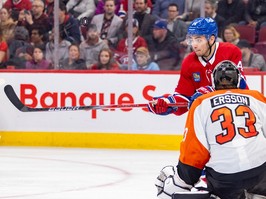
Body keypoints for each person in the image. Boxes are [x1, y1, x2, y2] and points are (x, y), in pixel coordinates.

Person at [155, 60, 266, 199]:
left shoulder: (201, 103)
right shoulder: (256, 97)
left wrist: (183, 180)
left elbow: (195, 151)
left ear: (214, 82)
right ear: (238, 80)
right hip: (262, 173)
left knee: (169, 185)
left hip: (225, 179)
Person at [147, 17, 248, 116]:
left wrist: (209, 92)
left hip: (237, 113)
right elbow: (185, 97)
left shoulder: (230, 51)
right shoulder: (189, 62)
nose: (194, 45)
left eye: (198, 40)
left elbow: (240, 83)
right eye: (192, 39)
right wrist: (169, 103)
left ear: (212, 39)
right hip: (210, 118)